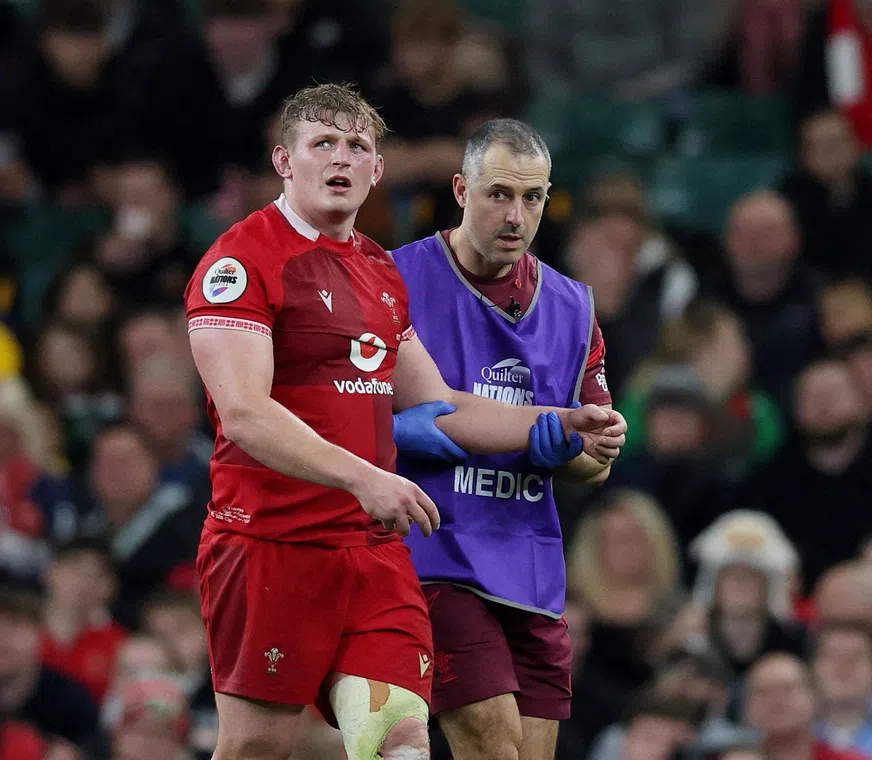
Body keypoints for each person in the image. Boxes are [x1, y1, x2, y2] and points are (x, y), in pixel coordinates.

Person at [183, 83, 626, 760]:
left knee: (400, 740)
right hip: (271, 544)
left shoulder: (378, 274)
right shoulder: (240, 263)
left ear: (376, 170)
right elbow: (244, 415)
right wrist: (367, 477)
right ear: (284, 161)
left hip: (372, 551)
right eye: (322, 143)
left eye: (357, 145)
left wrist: (565, 420)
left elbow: (441, 403)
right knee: (255, 748)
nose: (342, 157)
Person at [387, 118, 621, 760]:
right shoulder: (394, 282)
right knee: (493, 747)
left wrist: (576, 453)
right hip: (436, 555)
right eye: (498, 194)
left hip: (531, 564)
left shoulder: (575, 308)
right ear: (461, 190)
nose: (515, 215)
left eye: (533, 197)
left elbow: (595, 464)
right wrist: (401, 432)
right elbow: (351, 412)